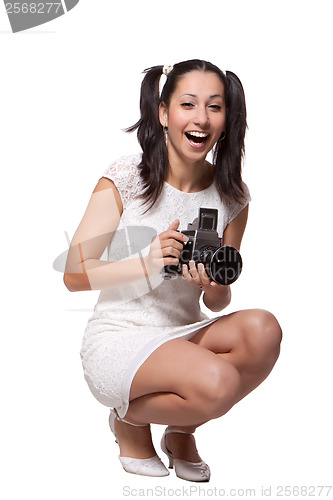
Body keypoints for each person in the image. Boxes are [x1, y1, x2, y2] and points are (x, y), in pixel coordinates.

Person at [64, 59, 282, 482]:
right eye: (188, 104)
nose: (201, 118)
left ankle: (182, 430)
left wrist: (214, 286)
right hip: (121, 336)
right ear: (164, 113)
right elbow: (74, 273)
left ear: (225, 120)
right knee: (218, 382)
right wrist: (145, 264)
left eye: (214, 107)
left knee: (265, 330)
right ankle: (127, 418)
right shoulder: (125, 176)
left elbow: (219, 296)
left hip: (182, 333)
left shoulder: (232, 195)